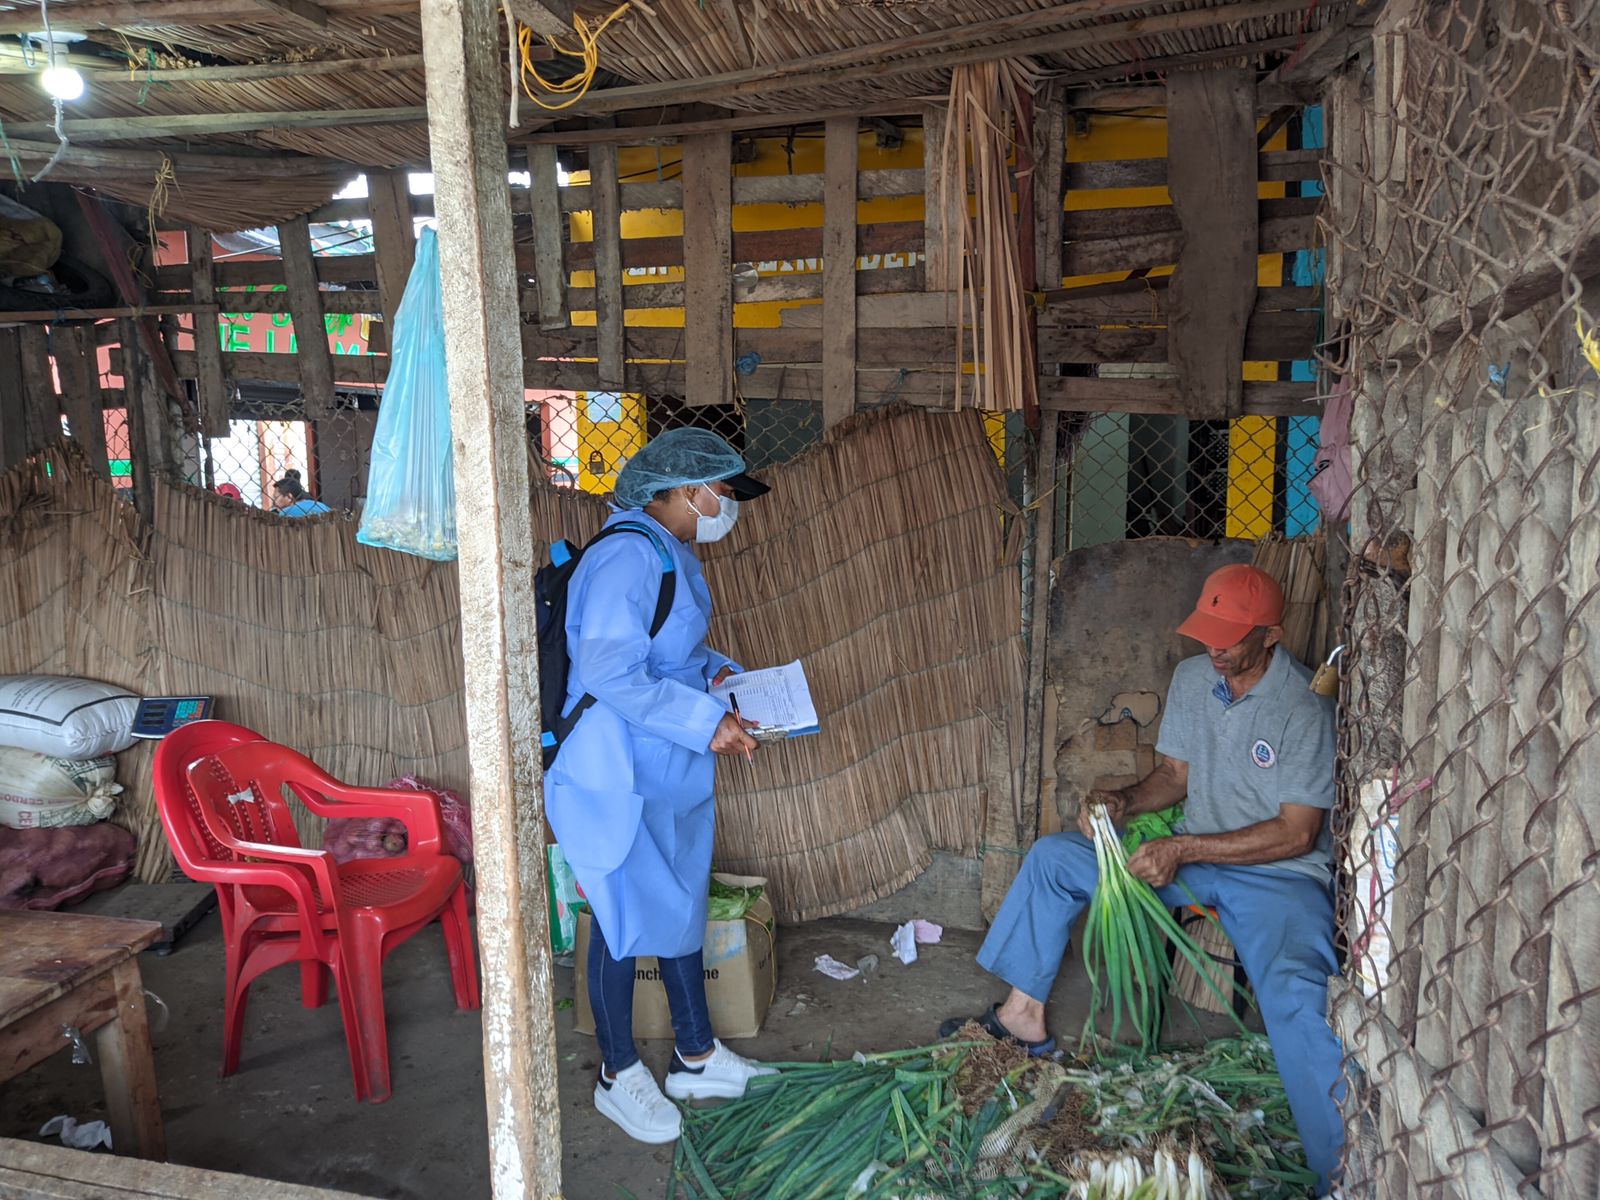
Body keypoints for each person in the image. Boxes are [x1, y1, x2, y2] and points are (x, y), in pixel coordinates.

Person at [943, 564, 1345, 1195]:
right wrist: (1125, 801)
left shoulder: (1303, 706)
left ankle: (1341, 1172)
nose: (1214, 647)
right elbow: (1177, 777)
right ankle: (1024, 1017)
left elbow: (1296, 833)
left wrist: (1182, 845)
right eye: (1208, 632)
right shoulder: (1195, 678)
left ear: (1271, 634)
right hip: (1190, 855)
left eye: (1231, 636)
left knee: (1298, 993)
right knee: (1054, 860)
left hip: (1278, 874)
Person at [544, 427, 777, 1145]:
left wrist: (715, 677)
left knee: (676, 903)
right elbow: (612, 671)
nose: (727, 503)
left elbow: (669, 652)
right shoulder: (624, 557)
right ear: (680, 492)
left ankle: (696, 1055)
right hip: (613, 767)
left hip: (663, 763)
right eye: (721, 492)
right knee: (622, 917)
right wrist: (704, 723)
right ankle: (618, 1073)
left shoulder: (671, 553)